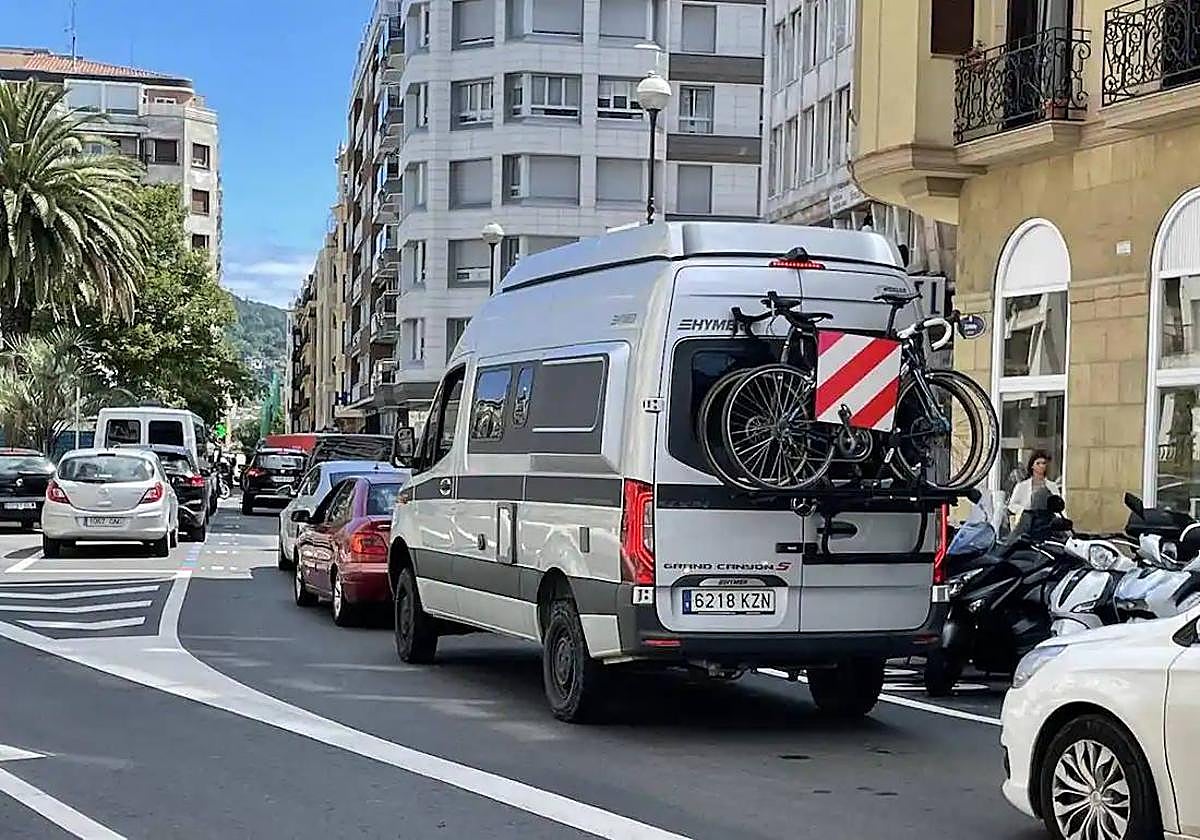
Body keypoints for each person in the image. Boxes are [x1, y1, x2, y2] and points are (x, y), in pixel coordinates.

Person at [1007, 450, 1060, 524]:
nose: (1041, 466)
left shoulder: (1052, 486)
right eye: (1038, 463)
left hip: (1047, 522)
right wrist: (1024, 510)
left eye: (1044, 463)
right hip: (1028, 521)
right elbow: (1011, 505)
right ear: (1032, 466)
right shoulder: (1021, 486)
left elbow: (1058, 506)